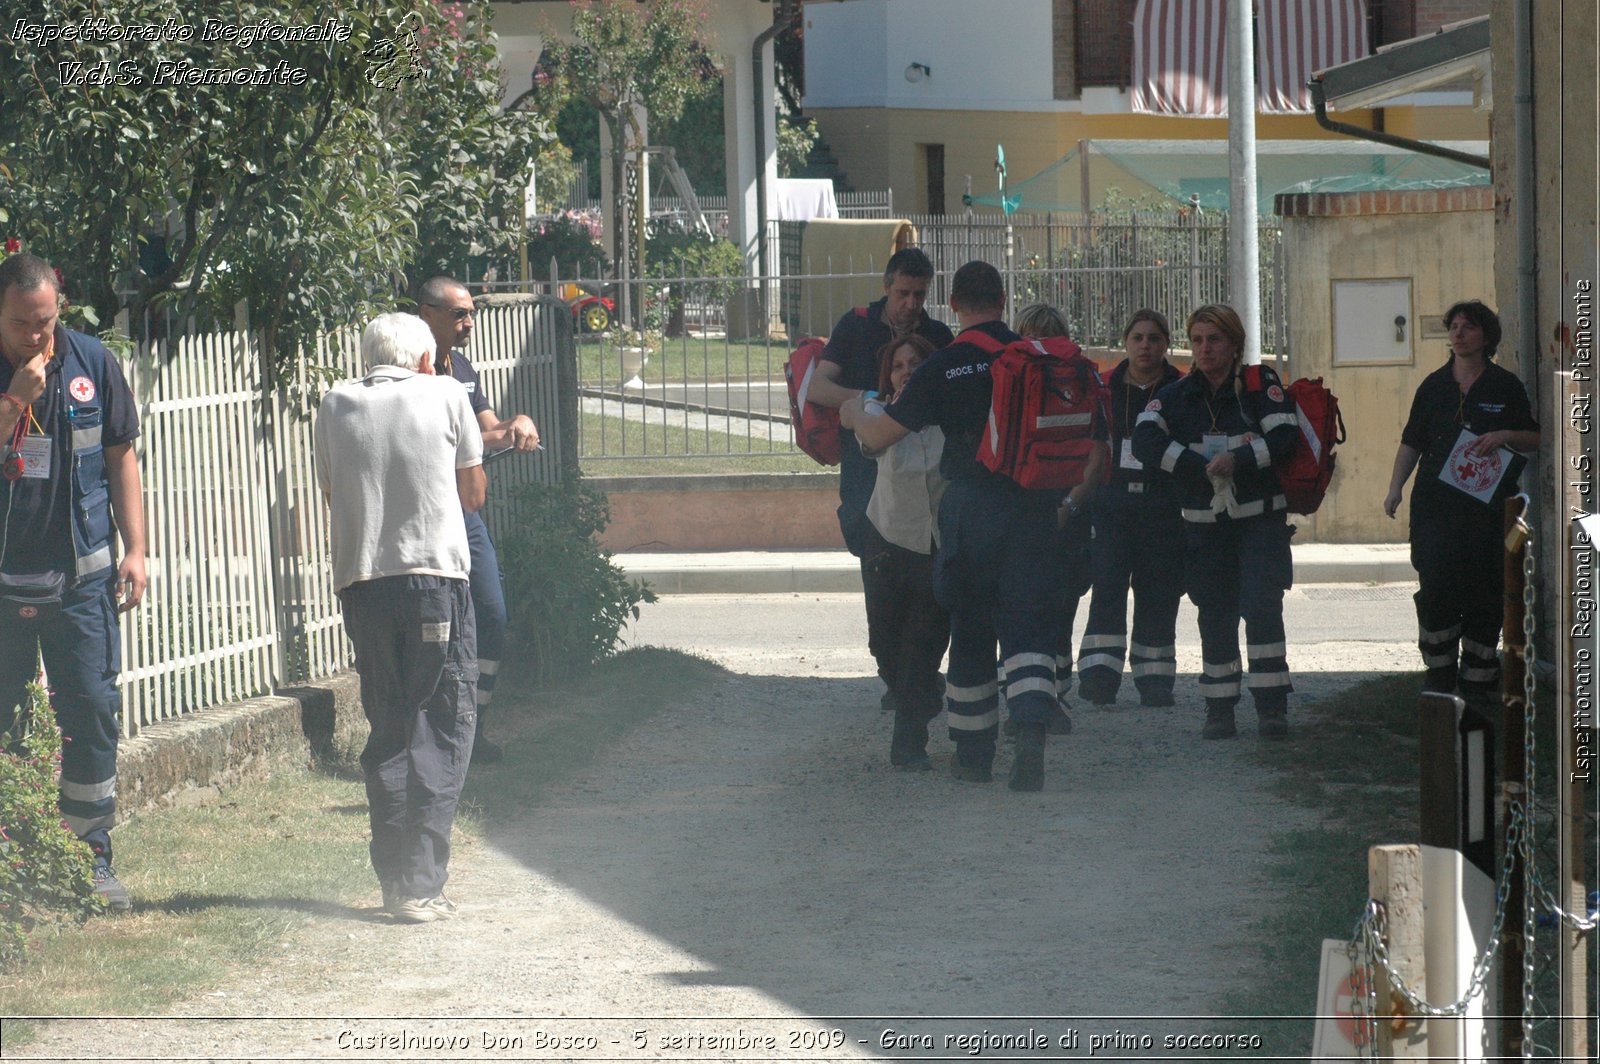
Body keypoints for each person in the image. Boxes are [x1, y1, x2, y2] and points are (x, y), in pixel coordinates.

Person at [841, 261, 1069, 792]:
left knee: (970, 627)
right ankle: (1031, 728)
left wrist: (855, 417)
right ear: (1005, 299)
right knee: (1029, 625)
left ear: (952, 305)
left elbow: (879, 439)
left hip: (971, 507)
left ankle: (973, 753)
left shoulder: (946, 365)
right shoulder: (1034, 359)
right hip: (1035, 508)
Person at [315, 312, 485, 923]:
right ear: (423, 359)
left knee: (387, 722)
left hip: (363, 584)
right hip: (434, 579)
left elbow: (333, 495)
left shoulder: (334, 404)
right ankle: (421, 883)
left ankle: (394, 880)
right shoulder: (445, 392)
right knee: (441, 721)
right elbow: (473, 493)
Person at [0, 253, 146, 911]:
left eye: (48, 321)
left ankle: (90, 859)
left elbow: (121, 456)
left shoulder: (91, 362)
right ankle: (13, 864)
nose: (40, 336)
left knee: (89, 711)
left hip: (81, 581)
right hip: (4, 586)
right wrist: (13, 403)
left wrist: (137, 548)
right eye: (26, 324)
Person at [1131, 305, 1298, 741]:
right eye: (1198, 340)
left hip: (1259, 523)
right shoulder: (1177, 393)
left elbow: (1284, 437)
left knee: (1262, 611)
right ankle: (1219, 708)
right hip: (1205, 527)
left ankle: (1271, 708)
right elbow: (1146, 438)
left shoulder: (1260, 387)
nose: (1205, 349)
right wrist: (1191, 464)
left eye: (1215, 340)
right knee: (1214, 615)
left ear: (1235, 344)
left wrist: (1236, 461)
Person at [1383, 299, 1539, 702]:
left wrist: (1503, 435)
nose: (1458, 333)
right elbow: (1412, 440)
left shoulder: (1504, 386)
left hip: (1488, 514)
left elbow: (1534, 437)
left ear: (1486, 336)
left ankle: (1478, 679)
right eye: (1453, 326)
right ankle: (1438, 674)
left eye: (1468, 327)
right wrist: (1395, 487)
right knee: (1436, 587)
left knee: (1486, 590)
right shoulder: (1434, 386)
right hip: (1435, 510)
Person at [417, 277, 541, 765]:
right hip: (424, 513)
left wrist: (520, 422)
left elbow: (488, 428)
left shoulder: (462, 367)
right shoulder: (413, 372)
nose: (469, 322)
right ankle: (430, 733)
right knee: (432, 626)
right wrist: (499, 436)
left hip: (464, 511)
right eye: (459, 314)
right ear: (426, 313)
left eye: (472, 313)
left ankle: (475, 727)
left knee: (491, 613)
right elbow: (444, 444)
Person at [802, 248, 954, 567]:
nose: (911, 304)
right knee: (876, 574)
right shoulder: (856, 326)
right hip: (865, 475)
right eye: (903, 293)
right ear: (886, 287)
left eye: (919, 294)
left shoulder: (937, 335)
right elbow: (818, 387)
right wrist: (871, 400)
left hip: (923, 486)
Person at [1076, 309, 1185, 708]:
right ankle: (1099, 676)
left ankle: (1155, 680)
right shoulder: (1105, 387)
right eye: (1137, 337)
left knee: (1159, 591)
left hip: (1162, 503)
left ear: (1165, 345)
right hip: (1111, 501)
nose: (1145, 345)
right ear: (1126, 342)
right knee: (1107, 586)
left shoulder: (1180, 389)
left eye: (1154, 338)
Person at [1007, 303, 1104, 734]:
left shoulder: (1013, 376)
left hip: (1037, 511)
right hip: (1061, 511)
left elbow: (1098, 450)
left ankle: (1039, 698)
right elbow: (1098, 450)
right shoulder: (1084, 377)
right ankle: (1045, 697)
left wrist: (1068, 505)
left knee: (1033, 608)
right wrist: (1071, 505)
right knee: (1053, 609)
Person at [857, 334, 949, 771]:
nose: (907, 370)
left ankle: (909, 740)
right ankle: (925, 692)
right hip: (888, 539)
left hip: (936, 544)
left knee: (923, 643)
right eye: (898, 365)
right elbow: (869, 440)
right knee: (884, 643)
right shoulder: (879, 415)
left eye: (916, 363)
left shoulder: (950, 415)